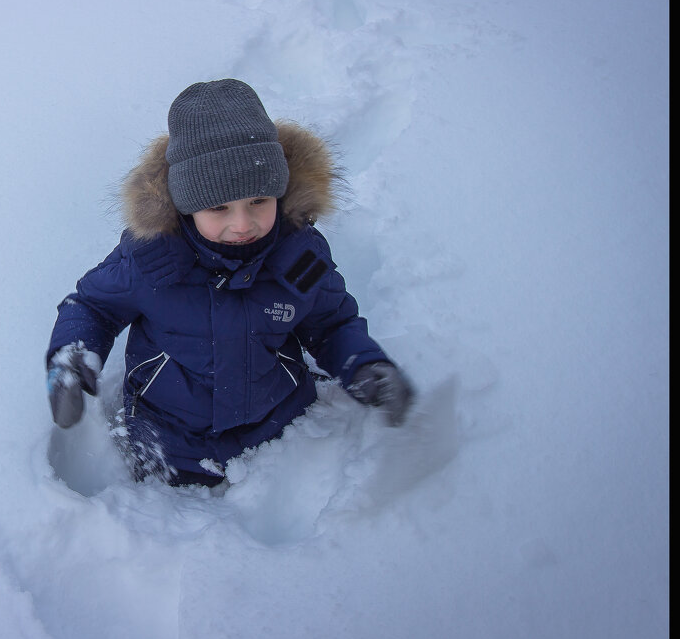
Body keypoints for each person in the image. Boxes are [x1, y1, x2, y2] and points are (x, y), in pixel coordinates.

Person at [46, 78, 414, 487]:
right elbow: (92, 306)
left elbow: (331, 324)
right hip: (168, 437)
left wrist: (363, 363)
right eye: (218, 207)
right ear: (186, 206)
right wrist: (71, 361)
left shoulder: (299, 256)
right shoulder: (148, 258)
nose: (242, 224)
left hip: (280, 430)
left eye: (259, 200)